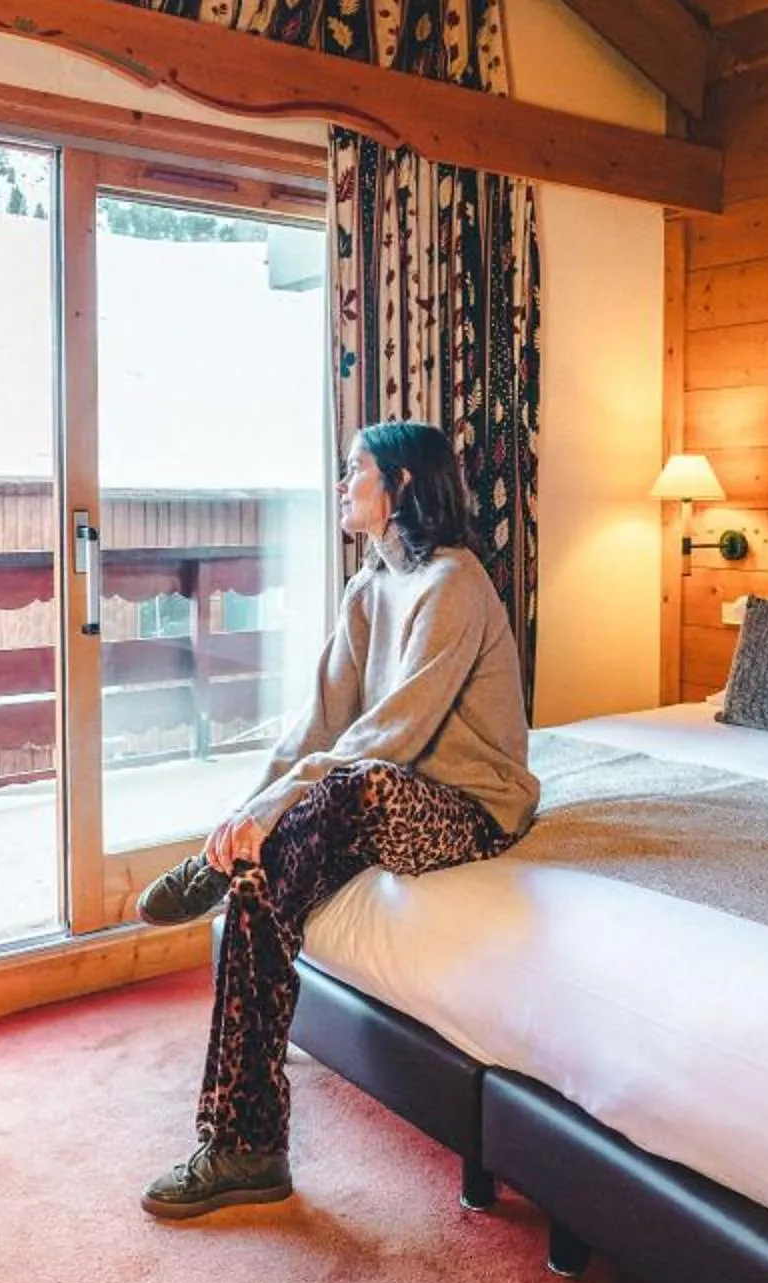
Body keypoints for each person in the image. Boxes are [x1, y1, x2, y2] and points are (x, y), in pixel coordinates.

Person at [134, 420, 540, 1219]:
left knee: (349, 787)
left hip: (470, 806)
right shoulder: (370, 587)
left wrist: (280, 805)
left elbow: (395, 732)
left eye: (356, 470)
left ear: (403, 485)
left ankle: (244, 1137)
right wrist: (245, 813)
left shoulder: (455, 583)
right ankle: (245, 1144)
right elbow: (317, 726)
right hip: (386, 784)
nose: (342, 483)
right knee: (264, 873)